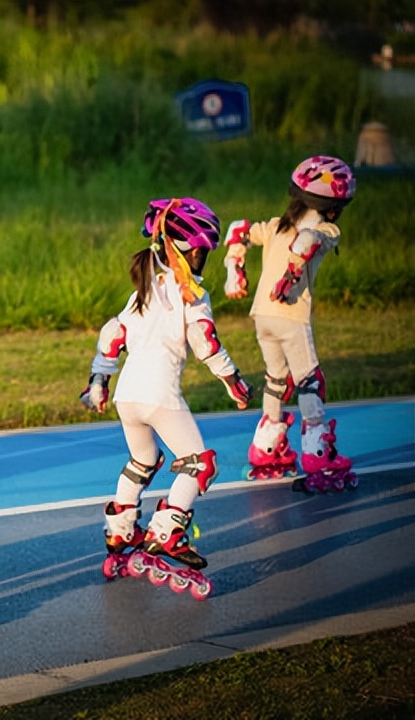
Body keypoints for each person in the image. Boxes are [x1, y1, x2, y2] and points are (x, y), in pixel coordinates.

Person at [81, 198, 252, 580]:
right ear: (192, 252)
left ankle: (121, 530)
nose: (204, 259)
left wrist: (99, 380)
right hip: (159, 396)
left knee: (143, 460)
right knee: (200, 463)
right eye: (204, 253)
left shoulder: (144, 288)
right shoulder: (192, 294)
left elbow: (113, 334)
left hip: (128, 397)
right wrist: (234, 381)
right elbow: (205, 342)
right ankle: (167, 531)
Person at [222, 155, 357, 492]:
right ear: (333, 207)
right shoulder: (327, 229)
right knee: (310, 382)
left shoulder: (275, 226)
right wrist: (292, 274)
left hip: (262, 316)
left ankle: (267, 447)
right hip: (291, 315)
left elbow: (238, 229)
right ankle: (318, 454)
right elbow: (307, 240)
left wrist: (234, 271)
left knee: (276, 380)